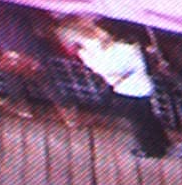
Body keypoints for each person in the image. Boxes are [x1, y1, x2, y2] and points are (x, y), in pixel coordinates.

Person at [55, 15, 172, 157]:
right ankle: (163, 142)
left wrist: (84, 55)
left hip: (130, 90)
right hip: (138, 86)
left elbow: (104, 69)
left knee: (140, 123)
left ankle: (152, 150)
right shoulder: (126, 45)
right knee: (148, 118)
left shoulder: (117, 50)